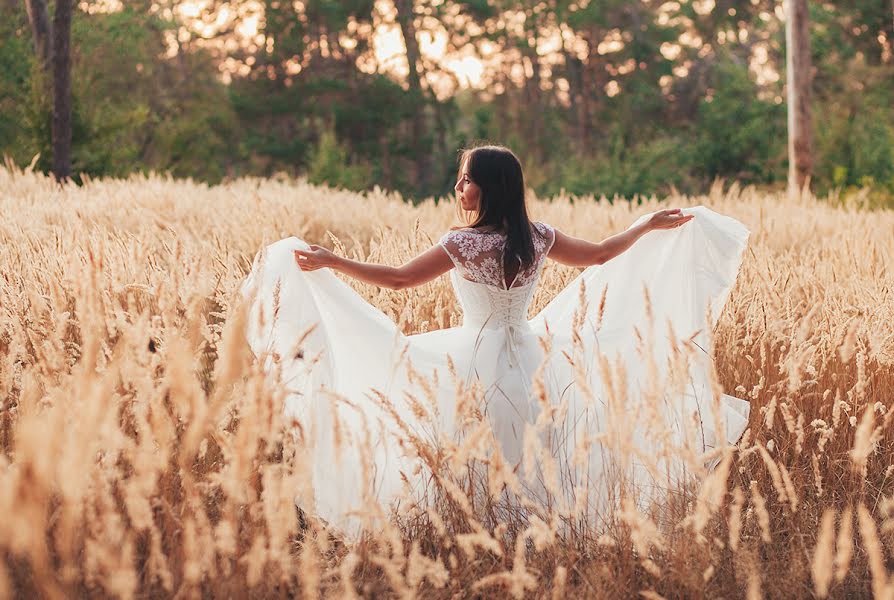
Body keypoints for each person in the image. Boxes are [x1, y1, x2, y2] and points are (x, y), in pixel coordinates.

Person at [240, 144, 750, 538]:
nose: (458, 188)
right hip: (531, 356)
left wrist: (335, 263)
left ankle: (479, 530)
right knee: (527, 448)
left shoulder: (463, 242)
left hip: (474, 357)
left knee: (471, 445)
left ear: (483, 189)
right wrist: (643, 226)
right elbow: (599, 255)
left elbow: (398, 280)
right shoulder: (537, 235)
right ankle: (530, 530)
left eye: (464, 180)